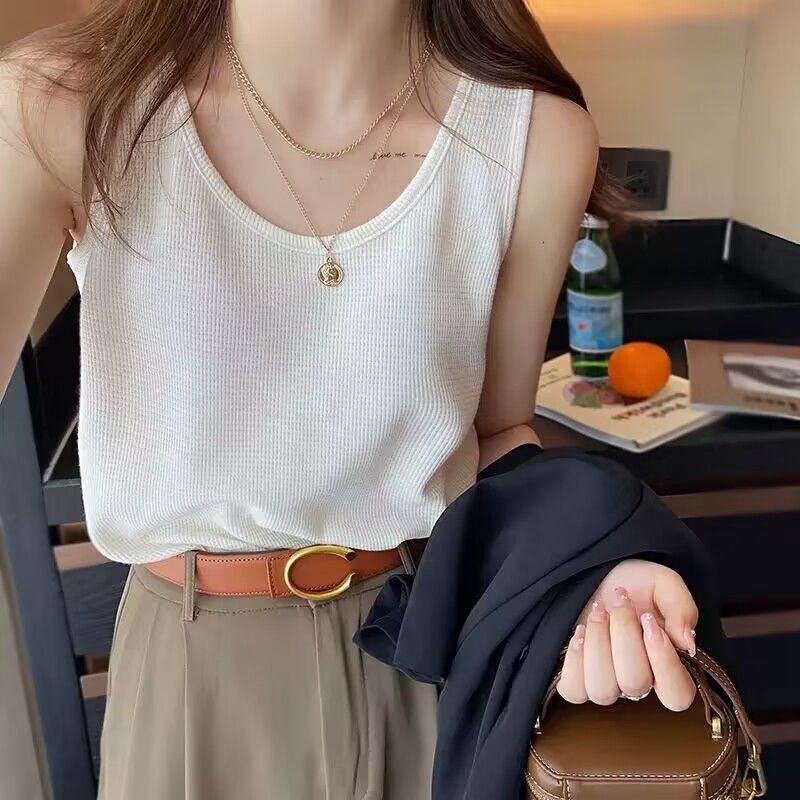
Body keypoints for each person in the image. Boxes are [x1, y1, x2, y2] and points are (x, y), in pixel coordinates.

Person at [0, 2, 702, 797]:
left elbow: (498, 433)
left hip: (420, 643)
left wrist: (582, 569)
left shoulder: (534, 134)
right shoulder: (62, 104)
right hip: (192, 675)